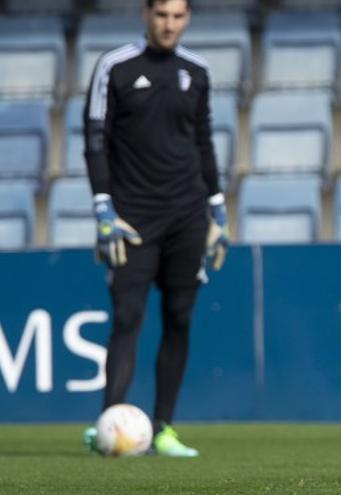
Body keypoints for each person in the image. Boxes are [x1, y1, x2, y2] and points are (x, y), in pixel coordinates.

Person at [81, 0, 229, 457]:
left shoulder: (197, 71)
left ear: (187, 19)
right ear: (145, 15)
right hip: (133, 218)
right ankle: (111, 426)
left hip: (187, 214)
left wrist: (217, 211)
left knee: (179, 318)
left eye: (178, 16)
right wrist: (103, 208)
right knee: (127, 318)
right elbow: (93, 137)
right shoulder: (115, 67)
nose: (169, 24)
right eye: (162, 14)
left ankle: (163, 427)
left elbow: (202, 140)